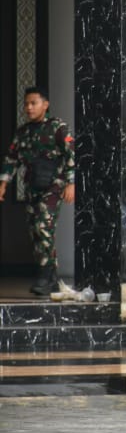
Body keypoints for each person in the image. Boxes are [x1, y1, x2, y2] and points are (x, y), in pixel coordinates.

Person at [0, 87, 75, 296]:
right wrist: (3, 184)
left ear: (45, 104)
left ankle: (45, 274)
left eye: (33, 103)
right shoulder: (23, 132)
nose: (29, 108)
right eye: (26, 104)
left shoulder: (58, 128)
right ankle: (50, 277)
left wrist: (71, 183)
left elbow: (72, 154)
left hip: (54, 187)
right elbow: (11, 158)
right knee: (36, 231)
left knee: (44, 226)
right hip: (32, 186)